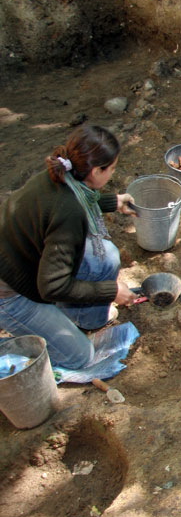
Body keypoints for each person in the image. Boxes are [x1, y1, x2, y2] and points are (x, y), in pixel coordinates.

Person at [0, 125, 138, 370]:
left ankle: (84, 319)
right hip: (11, 293)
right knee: (80, 357)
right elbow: (52, 286)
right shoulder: (69, 214)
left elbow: (70, 204)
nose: (113, 172)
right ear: (96, 171)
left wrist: (112, 202)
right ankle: (24, 345)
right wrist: (111, 291)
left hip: (26, 262)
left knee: (106, 257)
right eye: (112, 168)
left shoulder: (60, 175)